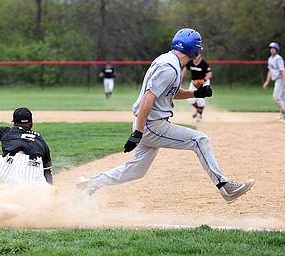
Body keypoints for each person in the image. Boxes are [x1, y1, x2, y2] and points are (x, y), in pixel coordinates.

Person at [77, 28, 254, 204]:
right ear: (194, 50)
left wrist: (196, 93)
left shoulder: (169, 60)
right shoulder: (170, 67)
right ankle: (224, 186)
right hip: (152, 125)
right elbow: (149, 97)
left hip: (147, 124)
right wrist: (138, 133)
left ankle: (91, 184)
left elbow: (170, 91)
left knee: (136, 170)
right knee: (200, 140)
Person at [0, 107, 53, 191]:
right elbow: (47, 171)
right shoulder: (41, 141)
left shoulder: (7, 132)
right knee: (47, 190)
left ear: (14, 124)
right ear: (32, 124)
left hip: (9, 169)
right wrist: (50, 189)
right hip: (34, 177)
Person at [182, 52, 212, 122]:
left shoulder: (203, 63)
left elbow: (209, 74)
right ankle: (198, 109)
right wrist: (180, 77)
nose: (195, 57)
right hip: (194, 83)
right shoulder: (190, 62)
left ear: (200, 55)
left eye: (197, 55)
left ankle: (200, 116)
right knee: (190, 100)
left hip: (203, 83)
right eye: (194, 55)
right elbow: (185, 69)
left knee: (201, 99)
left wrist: (203, 80)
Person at [262, 42, 285, 120]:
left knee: (276, 97)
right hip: (277, 80)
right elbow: (270, 71)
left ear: (276, 50)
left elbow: (282, 70)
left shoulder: (278, 58)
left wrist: (284, 82)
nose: (272, 50)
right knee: (281, 98)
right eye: (271, 49)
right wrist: (267, 82)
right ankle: (283, 115)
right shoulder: (270, 59)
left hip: (280, 79)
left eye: (273, 49)